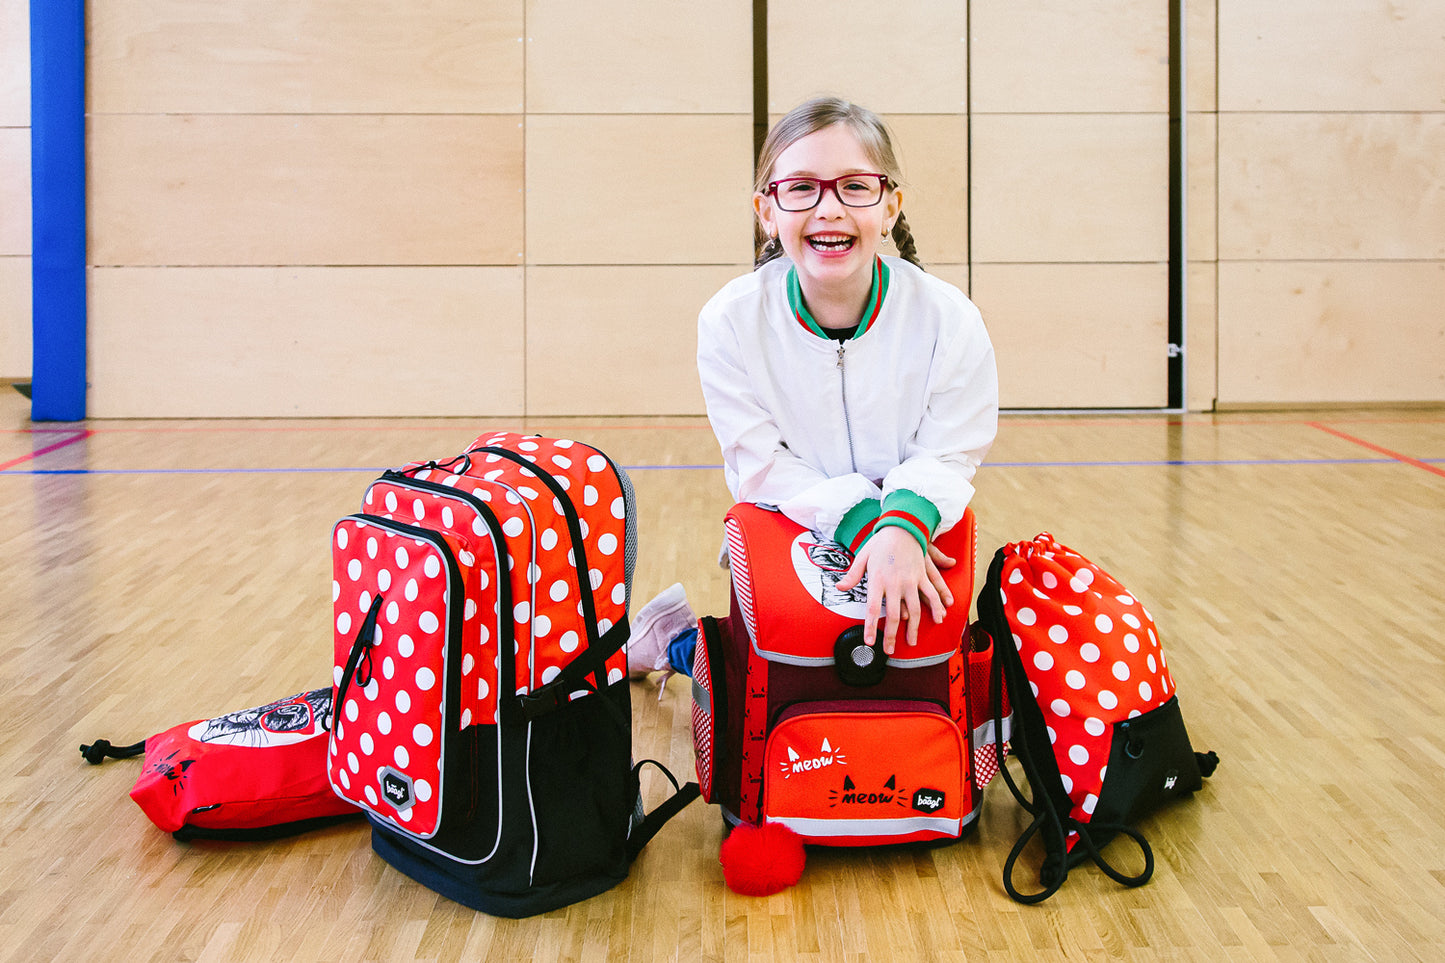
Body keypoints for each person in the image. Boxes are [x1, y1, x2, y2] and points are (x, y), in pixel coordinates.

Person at [628, 95, 998, 687]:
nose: (829, 209)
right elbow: (760, 464)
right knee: (781, 681)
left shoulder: (948, 317)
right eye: (801, 188)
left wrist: (901, 523)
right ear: (766, 211)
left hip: (914, 531)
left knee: (918, 678)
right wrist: (859, 522)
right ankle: (677, 641)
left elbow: (952, 448)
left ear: (890, 205)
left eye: (855, 186)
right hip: (794, 526)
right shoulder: (730, 321)